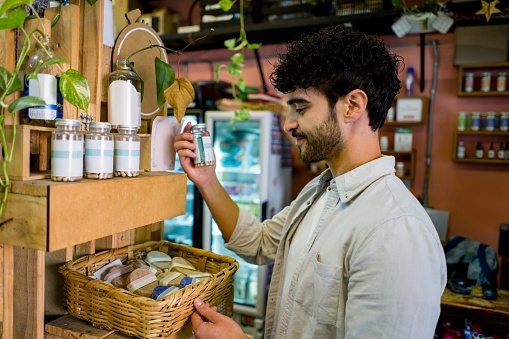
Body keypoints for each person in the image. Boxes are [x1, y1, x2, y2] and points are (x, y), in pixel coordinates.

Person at [174, 25, 447, 339]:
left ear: (353, 106)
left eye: (300, 108)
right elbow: (259, 243)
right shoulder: (320, 191)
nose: (290, 123)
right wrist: (207, 180)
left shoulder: (396, 231)